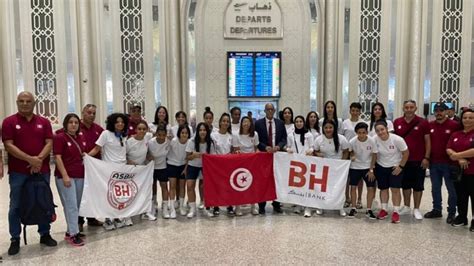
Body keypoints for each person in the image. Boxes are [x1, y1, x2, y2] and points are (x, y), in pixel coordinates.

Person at [2, 91, 57, 256]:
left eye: (28, 101)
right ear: (17, 102)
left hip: (42, 170)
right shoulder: (9, 122)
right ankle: (15, 238)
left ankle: (45, 233)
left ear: (34, 103)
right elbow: (8, 145)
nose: (25, 104)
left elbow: (49, 142)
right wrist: (30, 160)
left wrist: (38, 160)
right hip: (18, 173)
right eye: (21, 101)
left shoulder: (44, 122)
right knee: (16, 205)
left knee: (43, 202)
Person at [88, 113, 129, 230]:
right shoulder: (105, 134)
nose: (120, 124)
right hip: (108, 169)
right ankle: (107, 219)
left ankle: (116, 217)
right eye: (117, 122)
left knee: (118, 195)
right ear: (112, 123)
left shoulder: (124, 135)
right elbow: (97, 148)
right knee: (108, 194)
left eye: (122, 122)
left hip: (122, 169)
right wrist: (86, 156)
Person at [394, 100, 430, 220]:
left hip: (418, 159)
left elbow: (427, 141)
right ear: (403, 108)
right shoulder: (397, 122)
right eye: (406, 107)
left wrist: (426, 157)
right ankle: (407, 206)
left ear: (415, 108)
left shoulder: (423, 122)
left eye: (411, 107)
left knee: (418, 186)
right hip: (402, 160)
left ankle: (416, 208)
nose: (409, 109)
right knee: (405, 185)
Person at [53, 113, 86, 246]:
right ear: (66, 124)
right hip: (65, 177)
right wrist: (65, 175)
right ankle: (74, 234)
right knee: (70, 205)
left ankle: (70, 230)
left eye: (76, 122)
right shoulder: (60, 137)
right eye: (71, 122)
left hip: (80, 175)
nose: (73, 124)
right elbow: (58, 157)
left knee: (76, 205)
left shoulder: (79, 137)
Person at [424, 102, 460, 223]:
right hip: (434, 163)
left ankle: (451, 213)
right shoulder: (430, 125)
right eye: (436, 110)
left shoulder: (454, 125)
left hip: (450, 163)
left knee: (451, 189)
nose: (439, 113)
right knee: (435, 188)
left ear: (446, 112)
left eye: (441, 110)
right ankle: (437, 209)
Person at [373, 120, 409, 223]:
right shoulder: (374, 140)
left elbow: (406, 153)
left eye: (382, 129)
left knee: (395, 189)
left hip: (395, 167)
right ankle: (384, 209)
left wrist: (400, 167)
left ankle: (396, 211)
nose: (380, 132)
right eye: (377, 131)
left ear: (387, 129)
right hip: (381, 166)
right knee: (383, 189)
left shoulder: (397, 139)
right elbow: (373, 154)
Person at [255, 103, 287, 214]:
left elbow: (284, 139)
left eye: (271, 109)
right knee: (263, 180)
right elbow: (256, 140)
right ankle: (261, 205)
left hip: (277, 156)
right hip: (264, 156)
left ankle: (276, 203)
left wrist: (279, 146)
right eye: (267, 109)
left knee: (277, 179)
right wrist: (265, 147)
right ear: (264, 111)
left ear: (274, 111)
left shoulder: (280, 123)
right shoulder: (258, 123)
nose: (269, 111)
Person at [314, 120, 350, 216]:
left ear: (334, 128)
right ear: (323, 129)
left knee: (338, 187)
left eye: (330, 127)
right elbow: (315, 151)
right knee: (323, 187)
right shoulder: (318, 139)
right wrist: (318, 154)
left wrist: (342, 163)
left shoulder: (341, 138)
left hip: (338, 167)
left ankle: (339, 206)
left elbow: (346, 151)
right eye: (326, 128)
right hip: (324, 167)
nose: (328, 129)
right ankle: (321, 206)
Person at [446, 108, 474, 231]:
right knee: (461, 195)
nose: (467, 120)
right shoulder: (456, 134)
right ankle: (462, 217)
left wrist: (458, 155)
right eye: (465, 117)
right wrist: (459, 159)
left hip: (473, 172)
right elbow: (448, 148)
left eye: (470, 117)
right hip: (459, 172)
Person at [78, 104, 104, 230]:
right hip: (79, 166)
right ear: (83, 112)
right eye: (89, 112)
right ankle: (78, 221)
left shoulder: (98, 129)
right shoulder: (75, 126)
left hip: (94, 167)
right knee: (80, 193)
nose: (92, 115)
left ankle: (92, 218)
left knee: (93, 193)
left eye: (94, 113)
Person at [185, 122, 215, 218]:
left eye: (204, 130)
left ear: (207, 131)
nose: (202, 132)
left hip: (205, 166)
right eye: (200, 130)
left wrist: (206, 156)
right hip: (192, 165)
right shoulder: (192, 141)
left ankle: (207, 208)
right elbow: (187, 157)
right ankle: (192, 208)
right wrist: (193, 155)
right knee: (190, 186)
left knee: (205, 187)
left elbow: (213, 157)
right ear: (197, 131)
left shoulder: (211, 142)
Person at [347, 122, 377, 219]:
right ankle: (353, 208)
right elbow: (350, 151)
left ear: (367, 132)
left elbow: (374, 155)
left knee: (370, 188)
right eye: (359, 132)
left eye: (363, 132)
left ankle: (369, 209)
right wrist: (352, 155)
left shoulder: (372, 141)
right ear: (356, 133)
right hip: (355, 167)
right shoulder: (352, 141)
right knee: (353, 187)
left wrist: (371, 169)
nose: (361, 134)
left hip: (368, 167)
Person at [286, 115, 314, 217]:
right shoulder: (290, 135)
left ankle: (308, 207)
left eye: (300, 121)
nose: (298, 123)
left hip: (307, 162)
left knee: (307, 185)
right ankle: (298, 204)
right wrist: (288, 150)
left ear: (303, 122)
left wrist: (310, 151)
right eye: (297, 121)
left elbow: (312, 147)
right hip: (295, 162)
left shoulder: (309, 134)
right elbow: (288, 146)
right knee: (297, 184)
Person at [231, 116, 260, 215]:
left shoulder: (255, 134)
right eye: (244, 122)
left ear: (251, 124)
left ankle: (253, 206)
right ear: (241, 123)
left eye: (248, 122)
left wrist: (257, 153)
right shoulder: (236, 135)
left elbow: (256, 148)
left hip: (252, 163)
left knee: (253, 185)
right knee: (238, 184)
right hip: (240, 163)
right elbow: (235, 149)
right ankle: (238, 206)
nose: (246, 124)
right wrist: (238, 152)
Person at [126, 121, 153, 221]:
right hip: (130, 170)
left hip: (141, 170)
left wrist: (151, 158)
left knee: (143, 191)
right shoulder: (129, 142)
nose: (142, 131)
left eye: (144, 129)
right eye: (139, 129)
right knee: (130, 192)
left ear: (147, 130)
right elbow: (123, 155)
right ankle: (128, 214)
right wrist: (130, 162)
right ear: (136, 130)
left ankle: (145, 211)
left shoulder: (147, 138)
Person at [342, 102, 366, 209]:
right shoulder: (345, 123)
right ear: (350, 111)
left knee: (359, 179)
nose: (355, 112)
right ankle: (347, 199)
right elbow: (342, 137)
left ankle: (359, 200)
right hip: (347, 152)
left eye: (357, 110)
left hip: (360, 154)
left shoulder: (363, 122)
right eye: (353, 110)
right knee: (347, 178)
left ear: (360, 112)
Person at [211, 113, 233, 216]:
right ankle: (216, 206)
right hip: (216, 164)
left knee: (228, 185)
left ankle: (230, 206)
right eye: (224, 121)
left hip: (228, 164)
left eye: (227, 121)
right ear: (220, 122)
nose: (225, 123)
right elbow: (211, 150)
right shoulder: (213, 135)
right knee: (217, 186)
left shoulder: (231, 136)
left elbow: (232, 150)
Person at [147, 124, 170, 220]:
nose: (161, 137)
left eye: (163, 135)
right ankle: (153, 205)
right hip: (152, 167)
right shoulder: (150, 142)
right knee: (153, 186)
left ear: (165, 134)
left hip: (163, 167)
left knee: (164, 186)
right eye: (159, 135)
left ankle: (165, 207)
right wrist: (149, 156)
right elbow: (146, 153)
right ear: (156, 134)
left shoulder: (168, 142)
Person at [167, 125, 191, 216]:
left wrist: (185, 169)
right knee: (172, 186)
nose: (184, 135)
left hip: (183, 166)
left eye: (186, 133)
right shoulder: (173, 141)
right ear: (179, 133)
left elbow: (189, 157)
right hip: (172, 164)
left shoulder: (189, 142)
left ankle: (181, 206)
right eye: (182, 133)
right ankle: (172, 208)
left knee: (182, 186)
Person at [200, 107, 218, 210]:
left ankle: (213, 200)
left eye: (210, 118)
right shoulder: (200, 129)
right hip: (203, 160)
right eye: (206, 118)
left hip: (213, 161)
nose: (208, 120)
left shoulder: (216, 131)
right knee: (202, 182)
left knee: (212, 182)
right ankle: (203, 200)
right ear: (204, 118)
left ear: (212, 119)